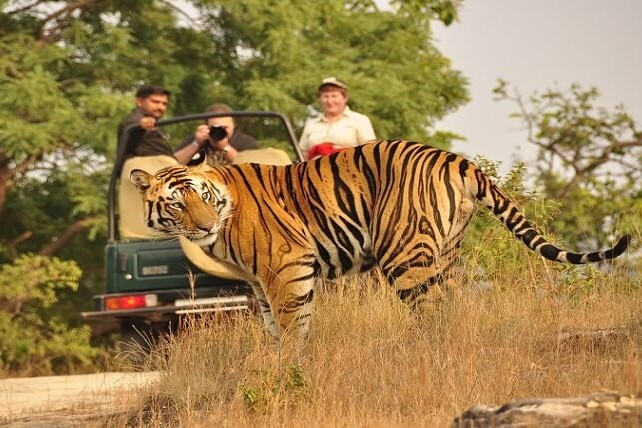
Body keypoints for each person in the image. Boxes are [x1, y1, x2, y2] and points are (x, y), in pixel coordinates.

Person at [117, 85, 204, 165]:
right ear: (139, 102)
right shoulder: (134, 122)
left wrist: (196, 143)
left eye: (164, 104)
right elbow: (132, 126)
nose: (160, 107)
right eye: (155, 102)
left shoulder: (156, 127)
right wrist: (142, 124)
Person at [298, 77, 376, 160]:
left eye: (334, 96)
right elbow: (302, 155)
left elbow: (370, 153)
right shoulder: (311, 123)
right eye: (325, 96)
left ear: (345, 98)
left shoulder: (360, 120)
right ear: (320, 99)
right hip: (314, 170)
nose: (329, 101)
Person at [178, 103, 259, 166]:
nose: (219, 131)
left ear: (234, 125)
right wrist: (196, 144)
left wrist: (226, 148)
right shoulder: (197, 140)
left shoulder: (246, 142)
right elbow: (173, 164)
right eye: (215, 128)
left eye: (225, 128)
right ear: (206, 126)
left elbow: (252, 170)